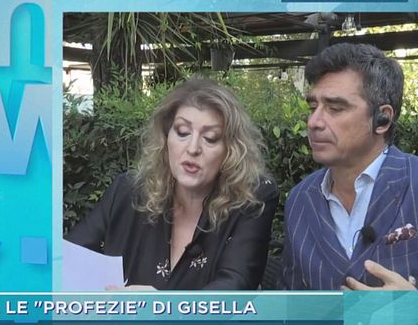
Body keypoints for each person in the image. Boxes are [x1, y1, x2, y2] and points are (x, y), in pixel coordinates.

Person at [66, 76, 279, 290]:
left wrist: (162, 305)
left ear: (231, 151)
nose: (193, 148)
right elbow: (67, 261)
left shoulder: (252, 198)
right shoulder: (127, 191)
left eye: (210, 138)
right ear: (166, 137)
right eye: (183, 132)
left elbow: (235, 287)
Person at [282, 43, 418, 290]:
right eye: (313, 107)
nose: (314, 122)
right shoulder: (300, 200)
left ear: (382, 119)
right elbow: (290, 300)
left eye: (335, 109)